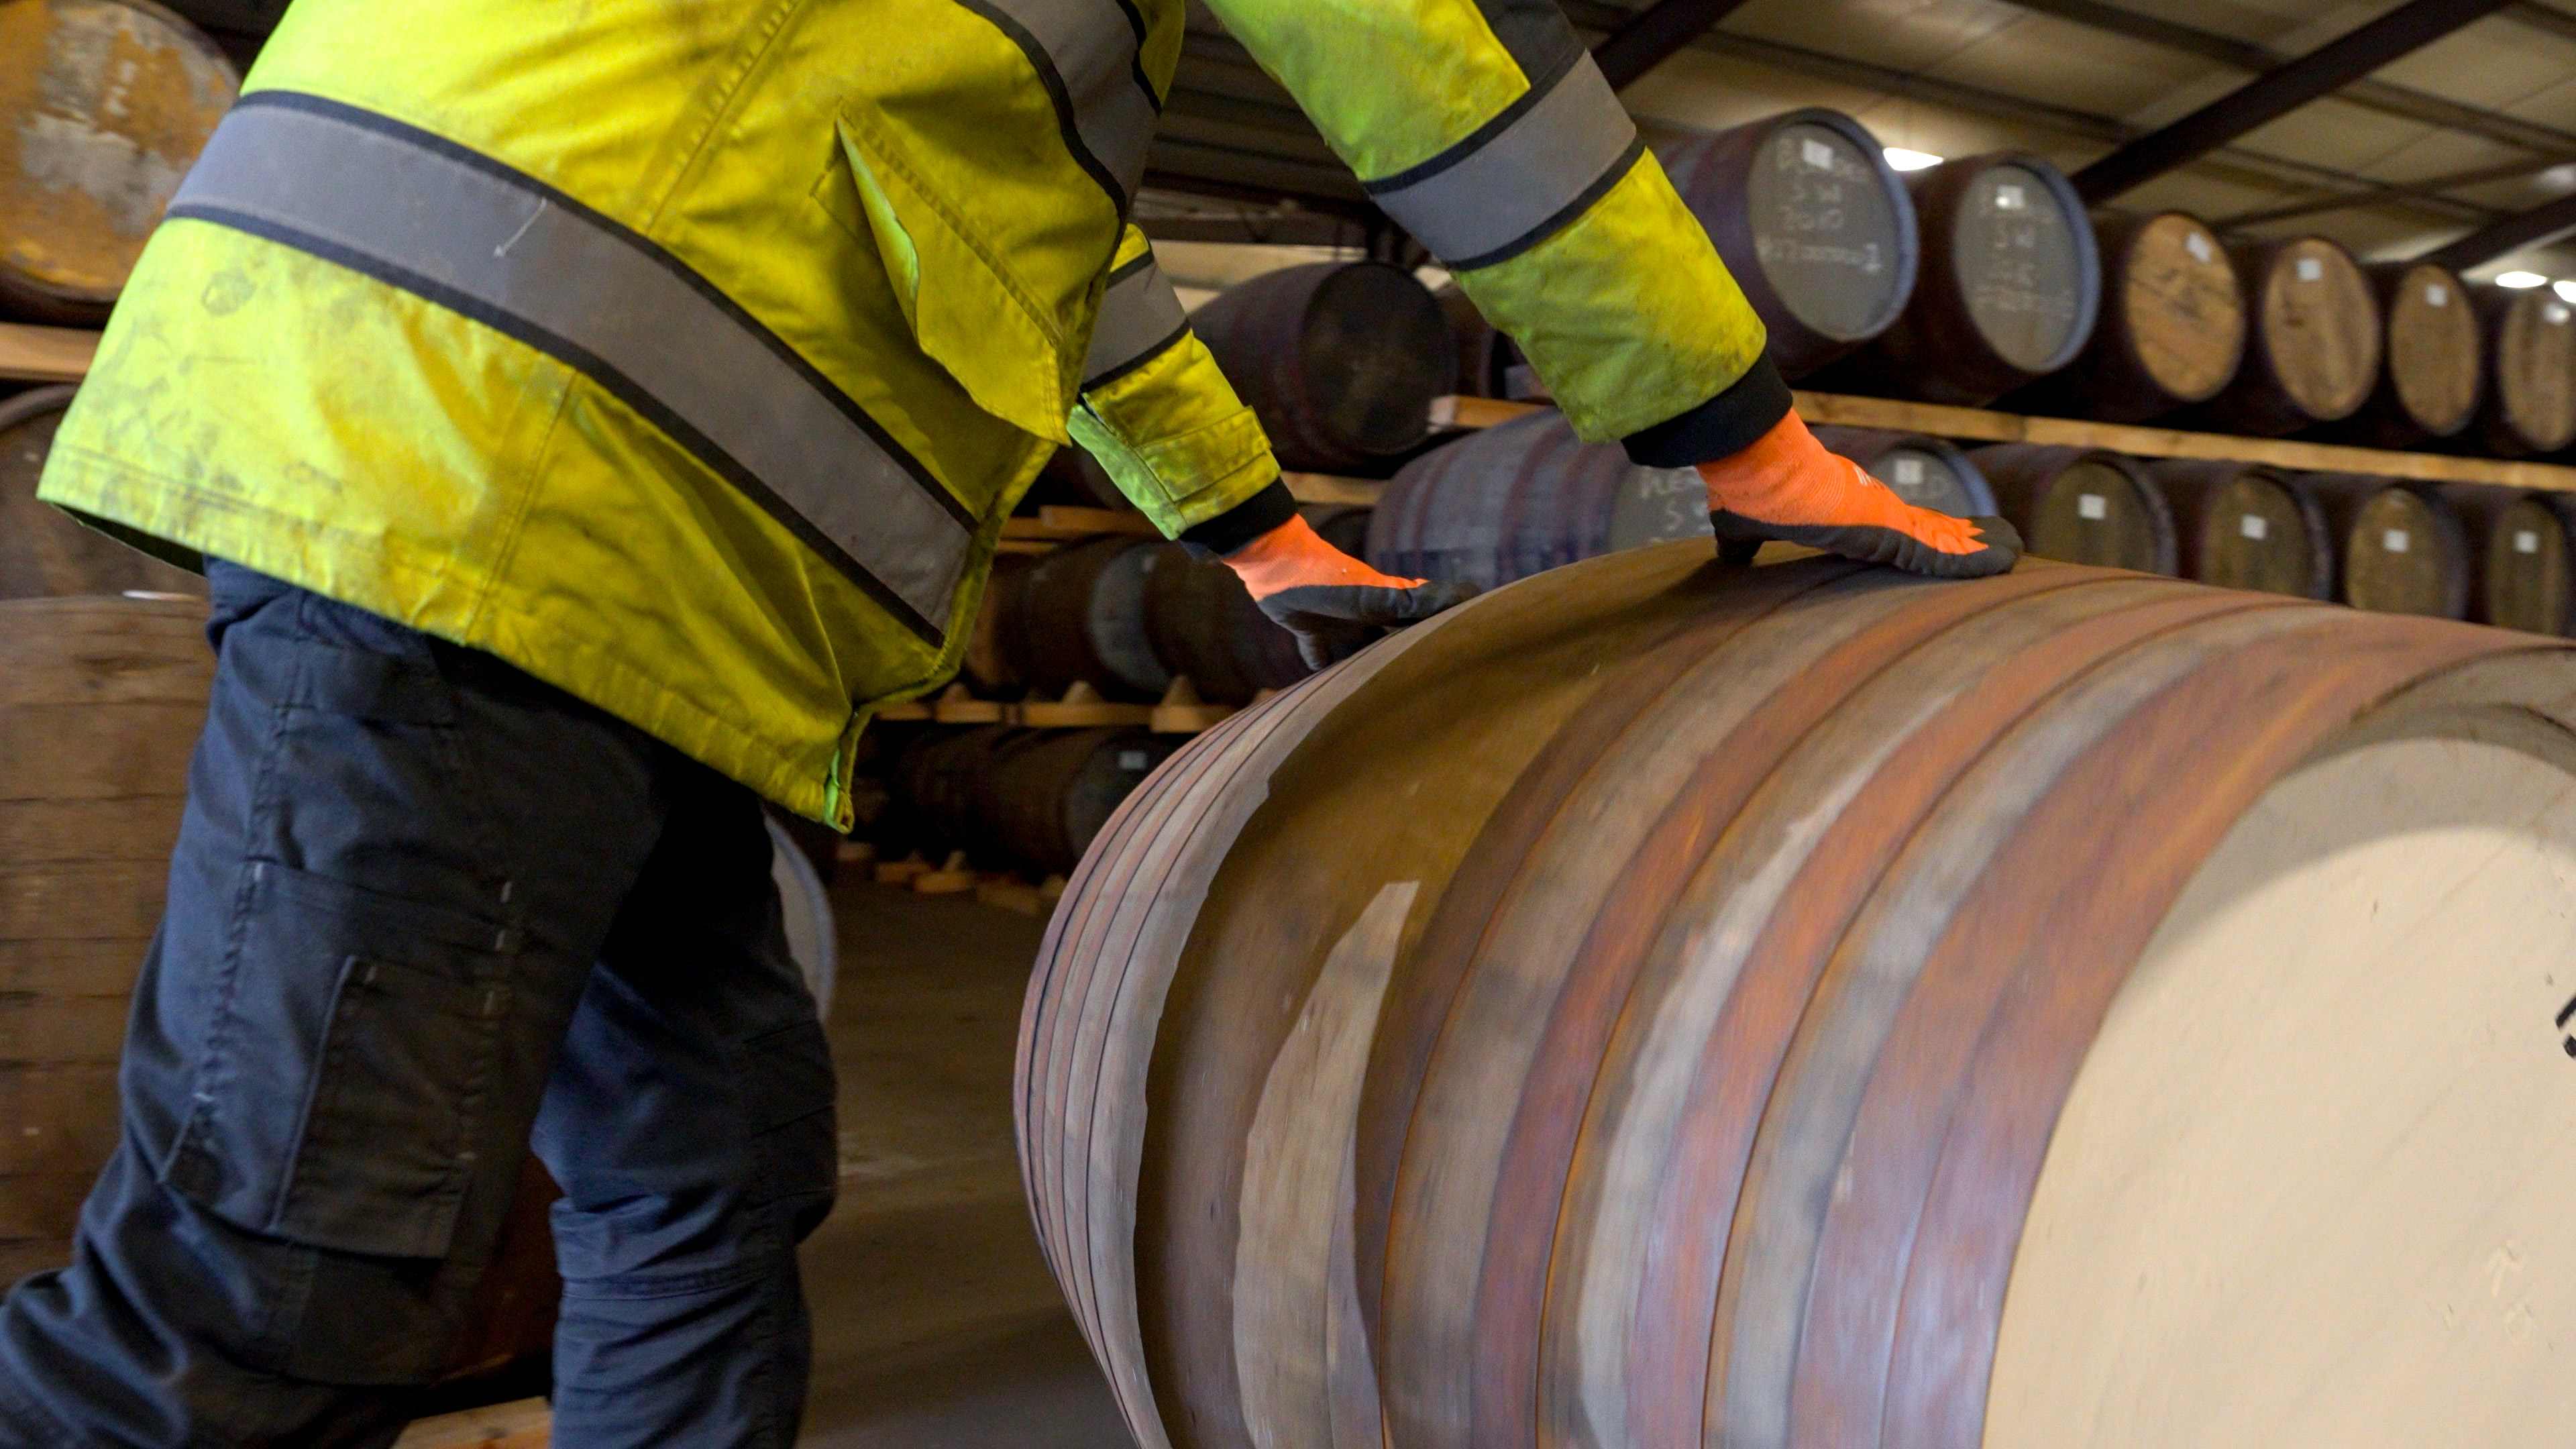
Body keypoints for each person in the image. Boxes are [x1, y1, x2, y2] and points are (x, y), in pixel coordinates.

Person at [10, 0, 2020, 1440]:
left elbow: (1034, 259)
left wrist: (1247, 531)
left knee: (705, 1174)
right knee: (281, 1279)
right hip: (489, 464)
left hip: (590, 527)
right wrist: (1730, 431)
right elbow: (1434, 52)